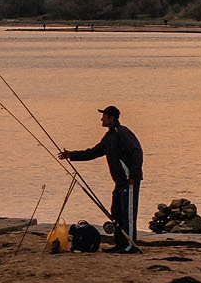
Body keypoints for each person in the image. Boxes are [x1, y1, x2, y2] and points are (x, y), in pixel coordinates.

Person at [61, 105, 144, 254]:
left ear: (111, 118)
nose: (101, 119)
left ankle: (131, 246)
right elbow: (93, 152)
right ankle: (120, 244)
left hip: (129, 181)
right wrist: (71, 155)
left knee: (128, 215)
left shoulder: (122, 133)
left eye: (104, 117)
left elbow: (137, 152)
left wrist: (133, 175)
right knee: (116, 213)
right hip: (119, 182)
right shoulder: (109, 137)